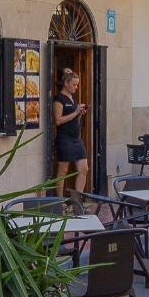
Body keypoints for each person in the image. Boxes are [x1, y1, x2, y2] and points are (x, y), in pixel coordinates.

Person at [52, 68, 89, 199]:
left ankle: (77, 200)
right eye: (74, 84)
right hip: (65, 139)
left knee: (83, 169)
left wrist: (79, 113)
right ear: (66, 84)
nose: (76, 87)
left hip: (76, 139)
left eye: (77, 84)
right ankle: (60, 201)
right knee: (63, 171)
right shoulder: (59, 99)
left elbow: (74, 118)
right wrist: (75, 112)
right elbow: (58, 120)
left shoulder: (72, 97)